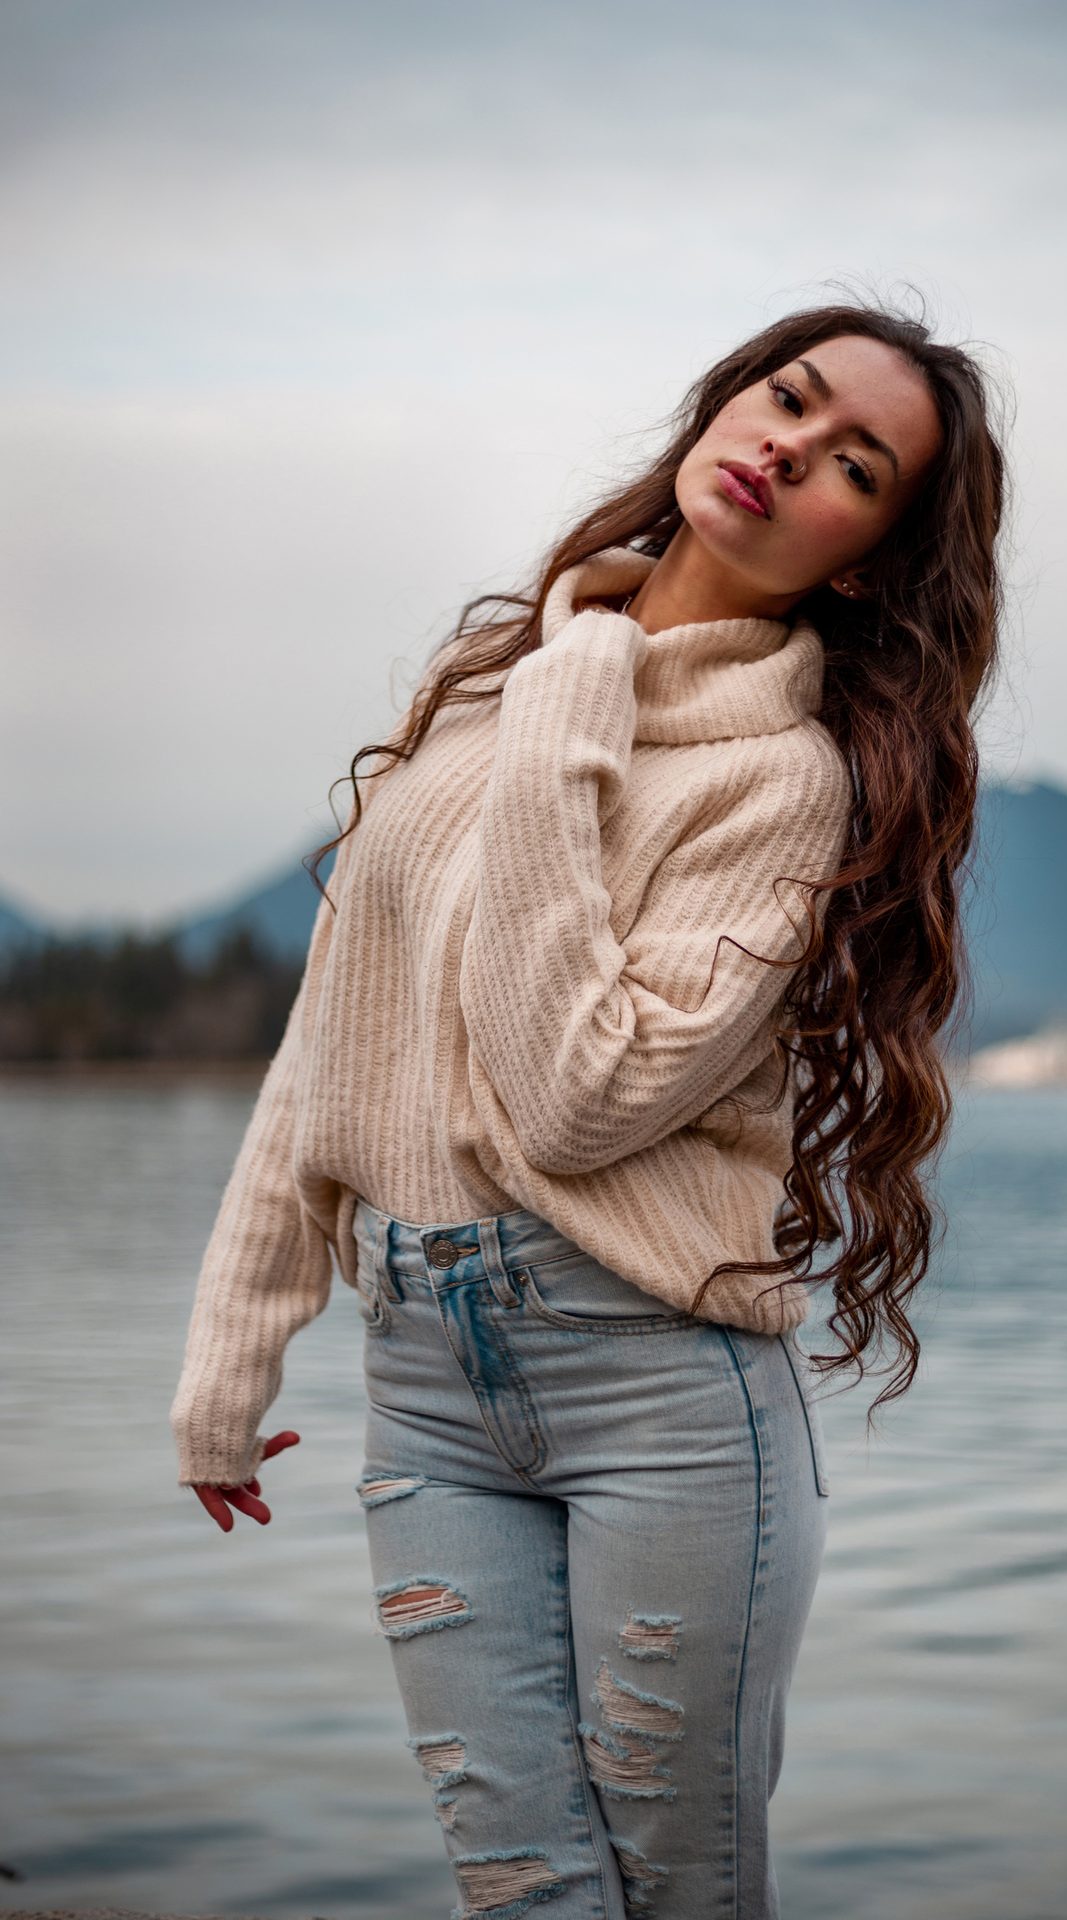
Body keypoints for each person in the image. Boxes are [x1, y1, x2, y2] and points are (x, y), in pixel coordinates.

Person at [170, 295, 1008, 1918]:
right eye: (785, 397)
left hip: (657, 1391)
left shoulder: (787, 785)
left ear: (863, 558)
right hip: (421, 1382)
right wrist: (231, 1354)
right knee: (523, 1889)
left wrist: (577, 704)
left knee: (677, 1893)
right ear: (717, 409)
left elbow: (579, 1099)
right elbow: (337, 1040)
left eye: (855, 465)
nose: (788, 449)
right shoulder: (495, 687)